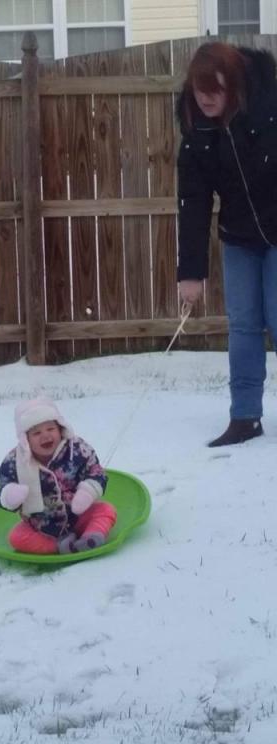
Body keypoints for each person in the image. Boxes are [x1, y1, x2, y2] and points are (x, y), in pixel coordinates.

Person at [177, 42, 277, 446]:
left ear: (234, 85)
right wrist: (190, 273)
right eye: (200, 89)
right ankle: (245, 417)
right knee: (243, 325)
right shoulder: (196, 128)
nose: (206, 98)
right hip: (239, 236)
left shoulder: (268, 108)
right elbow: (193, 200)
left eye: (215, 90)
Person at [0, 397, 117, 554]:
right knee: (17, 537)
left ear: (60, 429)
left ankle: (91, 537)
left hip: (79, 515)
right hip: (42, 526)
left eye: (50, 429)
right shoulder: (15, 461)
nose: (45, 436)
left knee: (106, 510)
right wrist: (10, 496)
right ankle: (60, 546)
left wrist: (88, 491)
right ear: (25, 439)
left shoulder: (77, 449)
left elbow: (96, 471)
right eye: (36, 433)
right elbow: (3, 488)